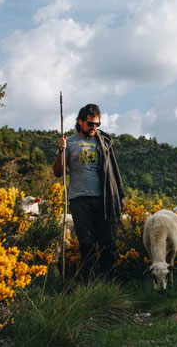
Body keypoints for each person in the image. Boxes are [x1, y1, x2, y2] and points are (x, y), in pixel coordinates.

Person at [53, 103, 125, 280]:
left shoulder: (104, 142)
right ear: (80, 121)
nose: (94, 128)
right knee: (87, 244)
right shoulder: (69, 142)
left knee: (108, 243)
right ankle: (90, 284)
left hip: (104, 198)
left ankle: (108, 283)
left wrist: (120, 196)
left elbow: (114, 170)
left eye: (97, 124)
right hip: (80, 199)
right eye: (90, 123)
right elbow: (57, 172)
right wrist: (61, 151)